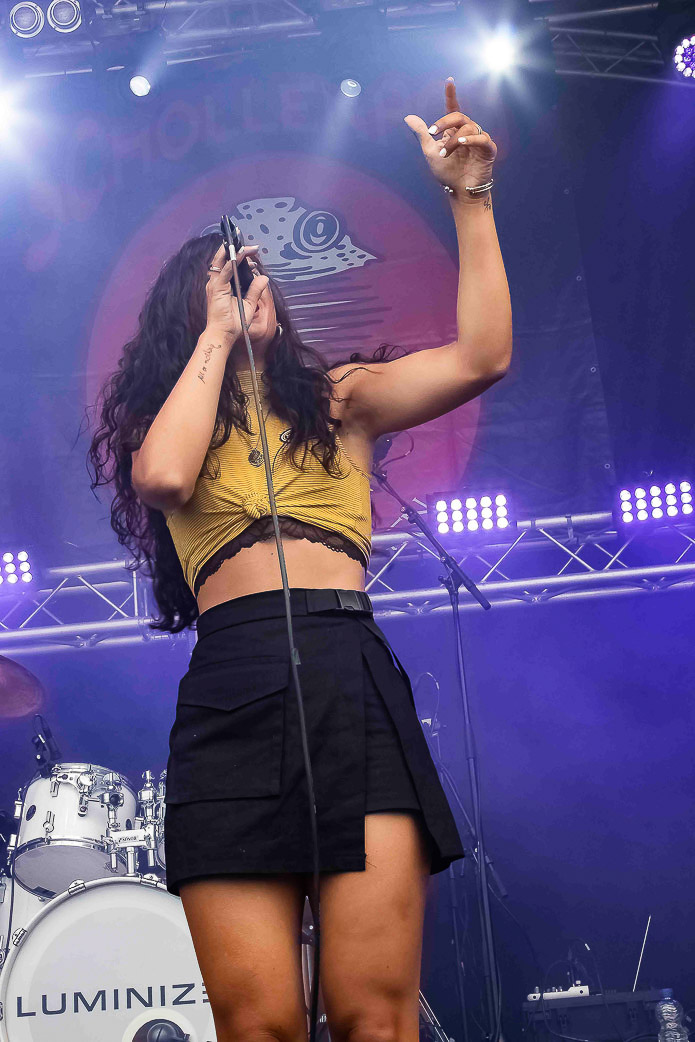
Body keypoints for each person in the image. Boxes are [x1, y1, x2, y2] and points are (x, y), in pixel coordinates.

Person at [89, 79, 511, 1042]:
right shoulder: (169, 423)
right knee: (260, 1025)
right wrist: (217, 336)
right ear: (189, 311)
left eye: (257, 279)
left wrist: (469, 195)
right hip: (232, 690)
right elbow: (163, 477)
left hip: (345, 672)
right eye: (228, 283)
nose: (252, 293)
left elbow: (481, 358)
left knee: (373, 1016)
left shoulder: (339, 400)